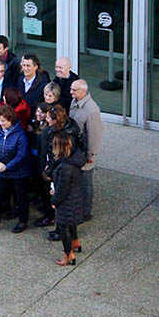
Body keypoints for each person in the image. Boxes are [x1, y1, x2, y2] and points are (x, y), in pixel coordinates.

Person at [0, 104, 32, 233]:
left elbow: (21, 155)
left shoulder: (20, 135)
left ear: (10, 120)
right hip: (3, 170)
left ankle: (23, 221)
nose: (0, 123)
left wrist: (7, 166)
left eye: (3, 121)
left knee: (21, 197)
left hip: (19, 172)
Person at [39, 105, 85, 231]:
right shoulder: (67, 128)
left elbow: (57, 155)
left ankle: (61, 230)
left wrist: (48, 170)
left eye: (48, 117)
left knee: (60, 198)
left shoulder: (62, 135)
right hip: (56, 168)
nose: (46, 119)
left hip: (59, 170)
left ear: (54, 120)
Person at [69, 79, 104, 223]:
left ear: (83, 91)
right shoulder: (75, 102)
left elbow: (95, 135)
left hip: (84, 152)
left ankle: (86, 211)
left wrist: (91, 156)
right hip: (74, 150)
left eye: (74, 90)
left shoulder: (91, 110)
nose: (71, 92)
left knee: (86, 182)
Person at [50, 132, 85, 266]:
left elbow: (62, 190)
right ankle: (75, 241)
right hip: (75, 198)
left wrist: (54, 201)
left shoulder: (65, 167)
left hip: (67, 201)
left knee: (63, 226)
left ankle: (68, 254)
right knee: (71, 223)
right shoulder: (74, 160)